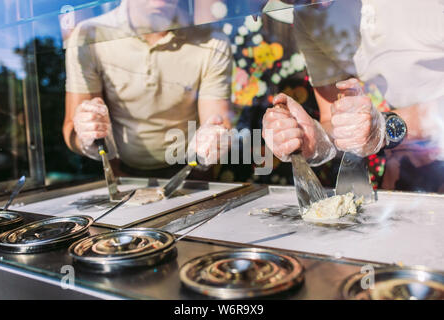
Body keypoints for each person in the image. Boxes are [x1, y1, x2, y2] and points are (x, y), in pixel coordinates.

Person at [262, 0, 444, 192]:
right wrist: (315, 139)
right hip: (413, 157)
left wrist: (386, 128)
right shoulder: (306, 16)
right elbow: (331, 119)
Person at [62, 0, 233, 178]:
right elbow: (71, 129)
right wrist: (85, 137)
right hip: (122, 173)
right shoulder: (90, 35)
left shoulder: (211, 39)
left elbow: (217, 121)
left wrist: (212, 140)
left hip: (190, 173)